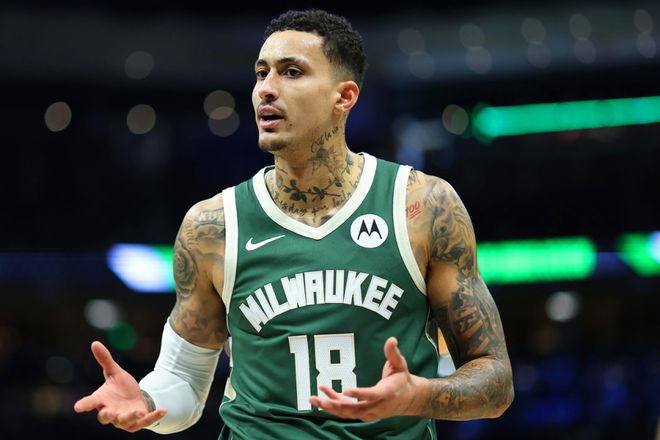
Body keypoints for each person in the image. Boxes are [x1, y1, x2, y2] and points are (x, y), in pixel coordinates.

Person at [74, 9, 514, 439]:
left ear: (344, 97)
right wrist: (147, 400)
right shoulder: (212, 226)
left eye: (291, 72)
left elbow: (495, 382)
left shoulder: (421, 205)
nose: (266, 89)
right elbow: (184, 381)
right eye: (261, 73)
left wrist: (418, 396)